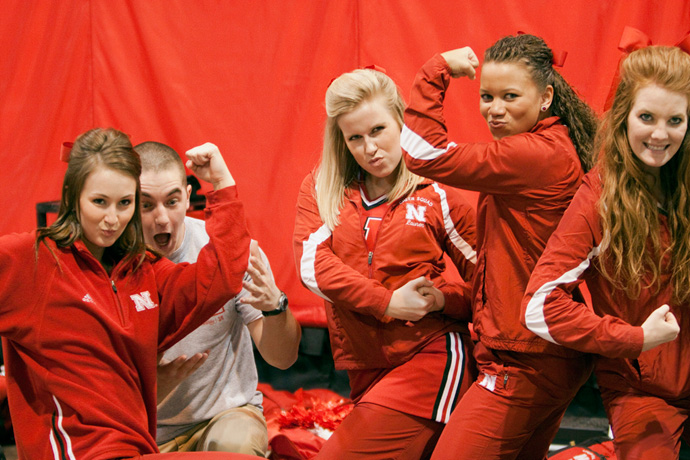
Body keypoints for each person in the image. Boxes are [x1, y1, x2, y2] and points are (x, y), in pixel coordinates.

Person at [0, 127, 263, 460]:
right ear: (72, 196)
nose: (113, 219)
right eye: (99, 202)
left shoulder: (144, 271)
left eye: (125, 203)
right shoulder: (34, 259)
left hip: (139, 450)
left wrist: (222, 185)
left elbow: (222, 277)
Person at [401, 34, 599, 459]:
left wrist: (434, 71)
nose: (495, 109)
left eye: (510, 96)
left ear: (546, 96)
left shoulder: (536, 154)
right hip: (535, 350)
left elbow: (422, 154)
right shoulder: (547, 146)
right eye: (487, 96)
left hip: (528, 356)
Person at [293, 67, 478, 460]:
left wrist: (444, 299)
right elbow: (313, 267)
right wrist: (387, 302)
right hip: (363, 366)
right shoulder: (323, 187)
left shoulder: (436, 192)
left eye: (378, 130)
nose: (369, 148)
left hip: (431, 354)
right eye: (355, 137)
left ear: (400, 121)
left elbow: (491, 280)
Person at [523, 45, 688, 459]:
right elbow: (540, 304)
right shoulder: (599, 198)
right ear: (623, 117)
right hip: (645, 389)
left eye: (676, 120)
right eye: (646, 117)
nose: (659, 134)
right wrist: (633, 338)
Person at [134, 141, 301, 455]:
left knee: (231, 447)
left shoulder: (229, 252)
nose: (161, 219)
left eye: (171, 201)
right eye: (146, 205)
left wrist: (275, 306)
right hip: (145, 426)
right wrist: (151, 386)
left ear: (187, 196)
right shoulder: (115, 267)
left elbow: (282, 358)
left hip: (225, 416)